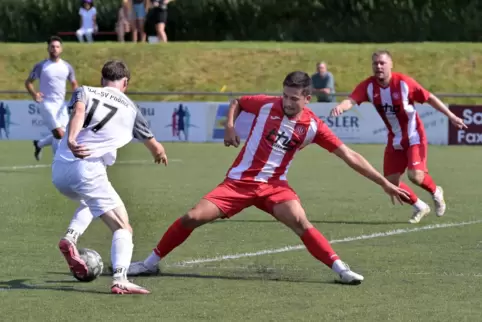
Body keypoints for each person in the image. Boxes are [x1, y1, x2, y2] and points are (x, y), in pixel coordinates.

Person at [126, 71, 410, 285]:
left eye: (293, 98)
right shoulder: (265, 105)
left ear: (307, 99)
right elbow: (236, 101)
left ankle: (340, 269)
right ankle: (151, 262)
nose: (286, 102)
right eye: (285, 95)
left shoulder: (313, 126)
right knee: (192, 217)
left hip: (274, 187)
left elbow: (350, 155)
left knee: (301, 221)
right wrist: (229, 125)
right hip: (237, 184)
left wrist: (385, 183)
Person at [52, 60, 168, 294]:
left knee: (90, 202)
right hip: (88, 171)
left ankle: (71, 237)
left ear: (102, 80)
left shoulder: (85, 90)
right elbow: (154, 145)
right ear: (125, 83)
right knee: (123, 227)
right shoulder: (131, 107)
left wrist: (72, 140)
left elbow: (79, 111)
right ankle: (120, 279)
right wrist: (159, 153)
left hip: (60, 170)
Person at [330, 50, 467, 224]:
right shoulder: (369, 86)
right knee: (389, 183)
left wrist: (451, 116)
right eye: (375, 64)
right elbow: (352, 100)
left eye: (382, 63)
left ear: (390, 65)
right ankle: (419, 205)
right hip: (394, 139)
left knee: (415, 176)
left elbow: (429, 97)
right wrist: (341, 107)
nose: (378, 66)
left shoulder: (403, 83)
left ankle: (435, 191)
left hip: (414, 136)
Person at [25, 36, 78, 161]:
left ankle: (39, 144)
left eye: (57, 47)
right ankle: (59, 161)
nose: (55, 49)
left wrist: (77, 97)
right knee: (59, 134)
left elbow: (74, 83)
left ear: (61, 49)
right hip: (47, 103)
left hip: (61, 106)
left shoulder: (67, 67)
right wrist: (35, 94)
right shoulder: (41, 66)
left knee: (63, 135)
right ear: (48, 48)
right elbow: (28, 82)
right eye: (52, 46)